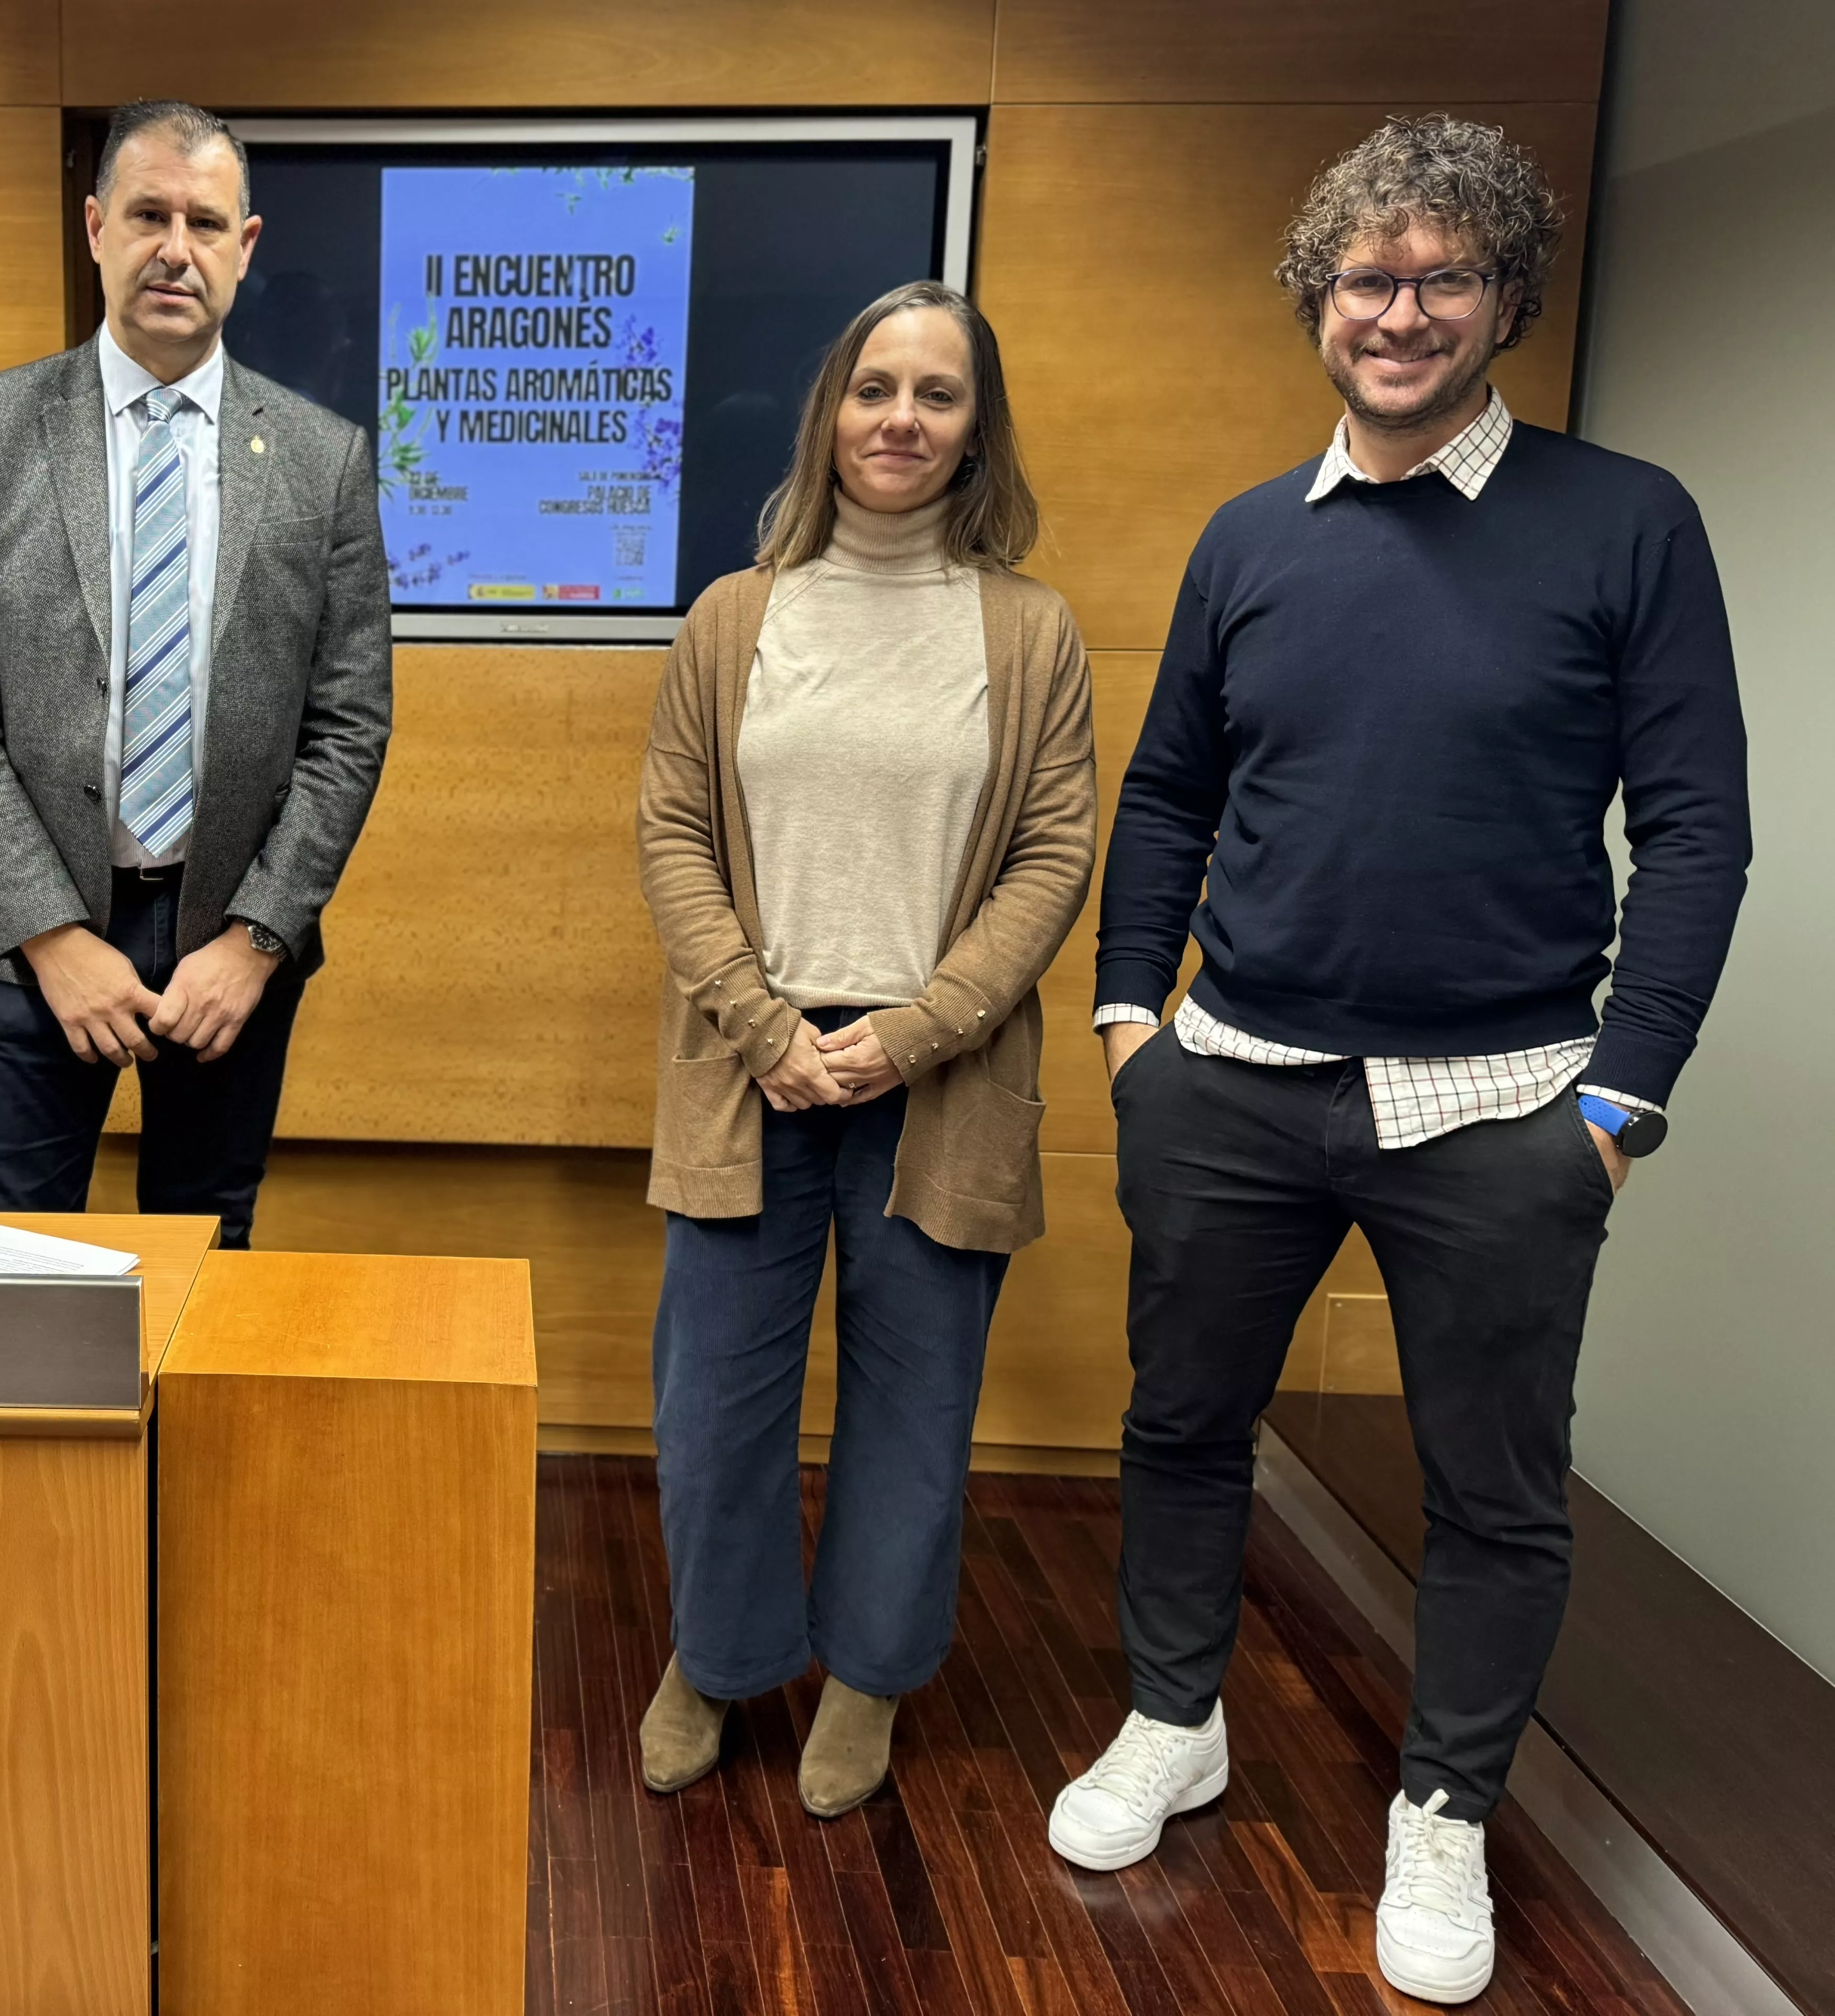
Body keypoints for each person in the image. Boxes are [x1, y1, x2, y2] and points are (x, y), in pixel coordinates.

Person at [1053, 117, 1751, 2005]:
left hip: (1506, 1108)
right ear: (1318, 300)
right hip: (1232, 1084)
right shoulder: (1247, 539)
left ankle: (1443, 1812)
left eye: (1446, 276)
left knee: (1496, 1495)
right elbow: (1173, 787)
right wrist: (1133, 1025)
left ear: (1505, 295)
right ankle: (1172, 1718)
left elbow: (1697, 831)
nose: (1403, 310)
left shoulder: (1626, 521)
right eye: (1369, 277)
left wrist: (1615, 1105)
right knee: (1183, 1427)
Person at [635, 281, 1096, 1817]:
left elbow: (1052, 854)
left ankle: (873, 1679)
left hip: (938, 1080)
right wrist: (769, 1026)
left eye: (939, 394)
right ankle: (716, 1652)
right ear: (831, 409)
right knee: (714, 1406)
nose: (902, 417)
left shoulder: (1030, 634)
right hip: (747, 1067)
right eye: (875, 386)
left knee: (914, 1408)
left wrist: (916, 1030)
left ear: (978, 430)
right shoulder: (732, 615)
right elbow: (675, 831)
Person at [0, 100, 392, 1247]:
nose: (178, 246)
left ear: (246, 245)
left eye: (206, 222)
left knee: (210, 1254)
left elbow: (349, 723)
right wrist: (54, 938)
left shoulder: (323, 460)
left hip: (227, 942)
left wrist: (258, 937)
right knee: (8, 1262)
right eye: (150, 214)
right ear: (95, 227)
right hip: (24, 939)